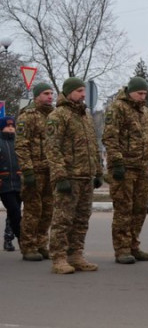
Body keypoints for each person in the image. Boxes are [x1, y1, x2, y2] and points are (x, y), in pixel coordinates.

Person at [45, 77, 104, 274]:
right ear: (69, 92)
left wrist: (98, 171)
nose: (83, 94)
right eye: (79, 91)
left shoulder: (85, 116)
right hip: (68, 177)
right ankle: (59, 258)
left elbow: (93, 145)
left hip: (85, 176)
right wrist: (60, 176)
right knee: (63, 219)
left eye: (83, 90)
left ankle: (76, 254)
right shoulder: (58, 115)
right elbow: (52, 148)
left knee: (81, 219)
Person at [102, 77, 148, 264]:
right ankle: (122, 249)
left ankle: (134, 245)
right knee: (124, 209)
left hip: (141, 168)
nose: (143, 97)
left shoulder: (146, 113)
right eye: (139, 93)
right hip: (124, 168)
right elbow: (110, 137)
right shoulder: (118, 108)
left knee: (140, 209)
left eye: (145, 94)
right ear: (130, 92)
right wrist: (116, 163)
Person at [16, 83, 55, 261]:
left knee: (48, 210)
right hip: (34, 170)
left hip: (50, 170)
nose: (50, 96)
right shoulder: (28, 116)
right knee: (33, 210)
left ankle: (41, 244)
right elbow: (21, 146)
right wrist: (28, 170)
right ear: (37, 95)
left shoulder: (53, 115)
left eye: (51, 93)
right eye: (46, 93)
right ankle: (29, 246)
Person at [1, 117, 22, 253]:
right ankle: (22, 237)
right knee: (14, 211)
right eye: (7, 126)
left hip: (18, 183)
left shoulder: (19, 143)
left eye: (12, 126)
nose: (10, 128)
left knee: (14, 212)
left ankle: (9, 238)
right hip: (4, 183)